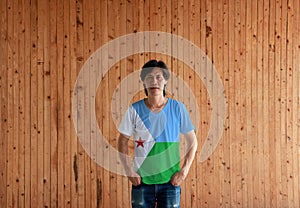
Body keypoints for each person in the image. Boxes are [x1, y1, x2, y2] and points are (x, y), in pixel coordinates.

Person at [118, 59, 198, 208]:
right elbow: (121, 141)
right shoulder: (134, 110)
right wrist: (129, 171)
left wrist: (184, 172)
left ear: (165, 80)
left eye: (158, 77)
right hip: (141, 182)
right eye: (149, 77)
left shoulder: (178, 108)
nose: (154, 81)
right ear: (143, 81)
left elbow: (193, 141)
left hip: (170, 183)